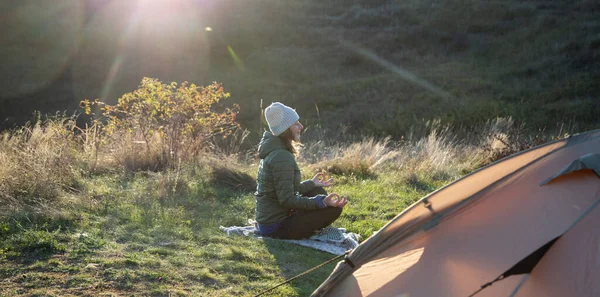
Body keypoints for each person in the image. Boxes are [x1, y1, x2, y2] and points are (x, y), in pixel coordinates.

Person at [254, 102, 348, 239]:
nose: (301, 126)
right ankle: (313, 231)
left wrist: (312, 183)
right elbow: (287, 200)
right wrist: (321, 202)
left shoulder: (277, 150)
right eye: (296, 123)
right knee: (333, 209)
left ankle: (313, 220)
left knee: (316, 191)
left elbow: (287, 189)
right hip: (275, 227)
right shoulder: (281, 156)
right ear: (285, 129)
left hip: (275, 218)